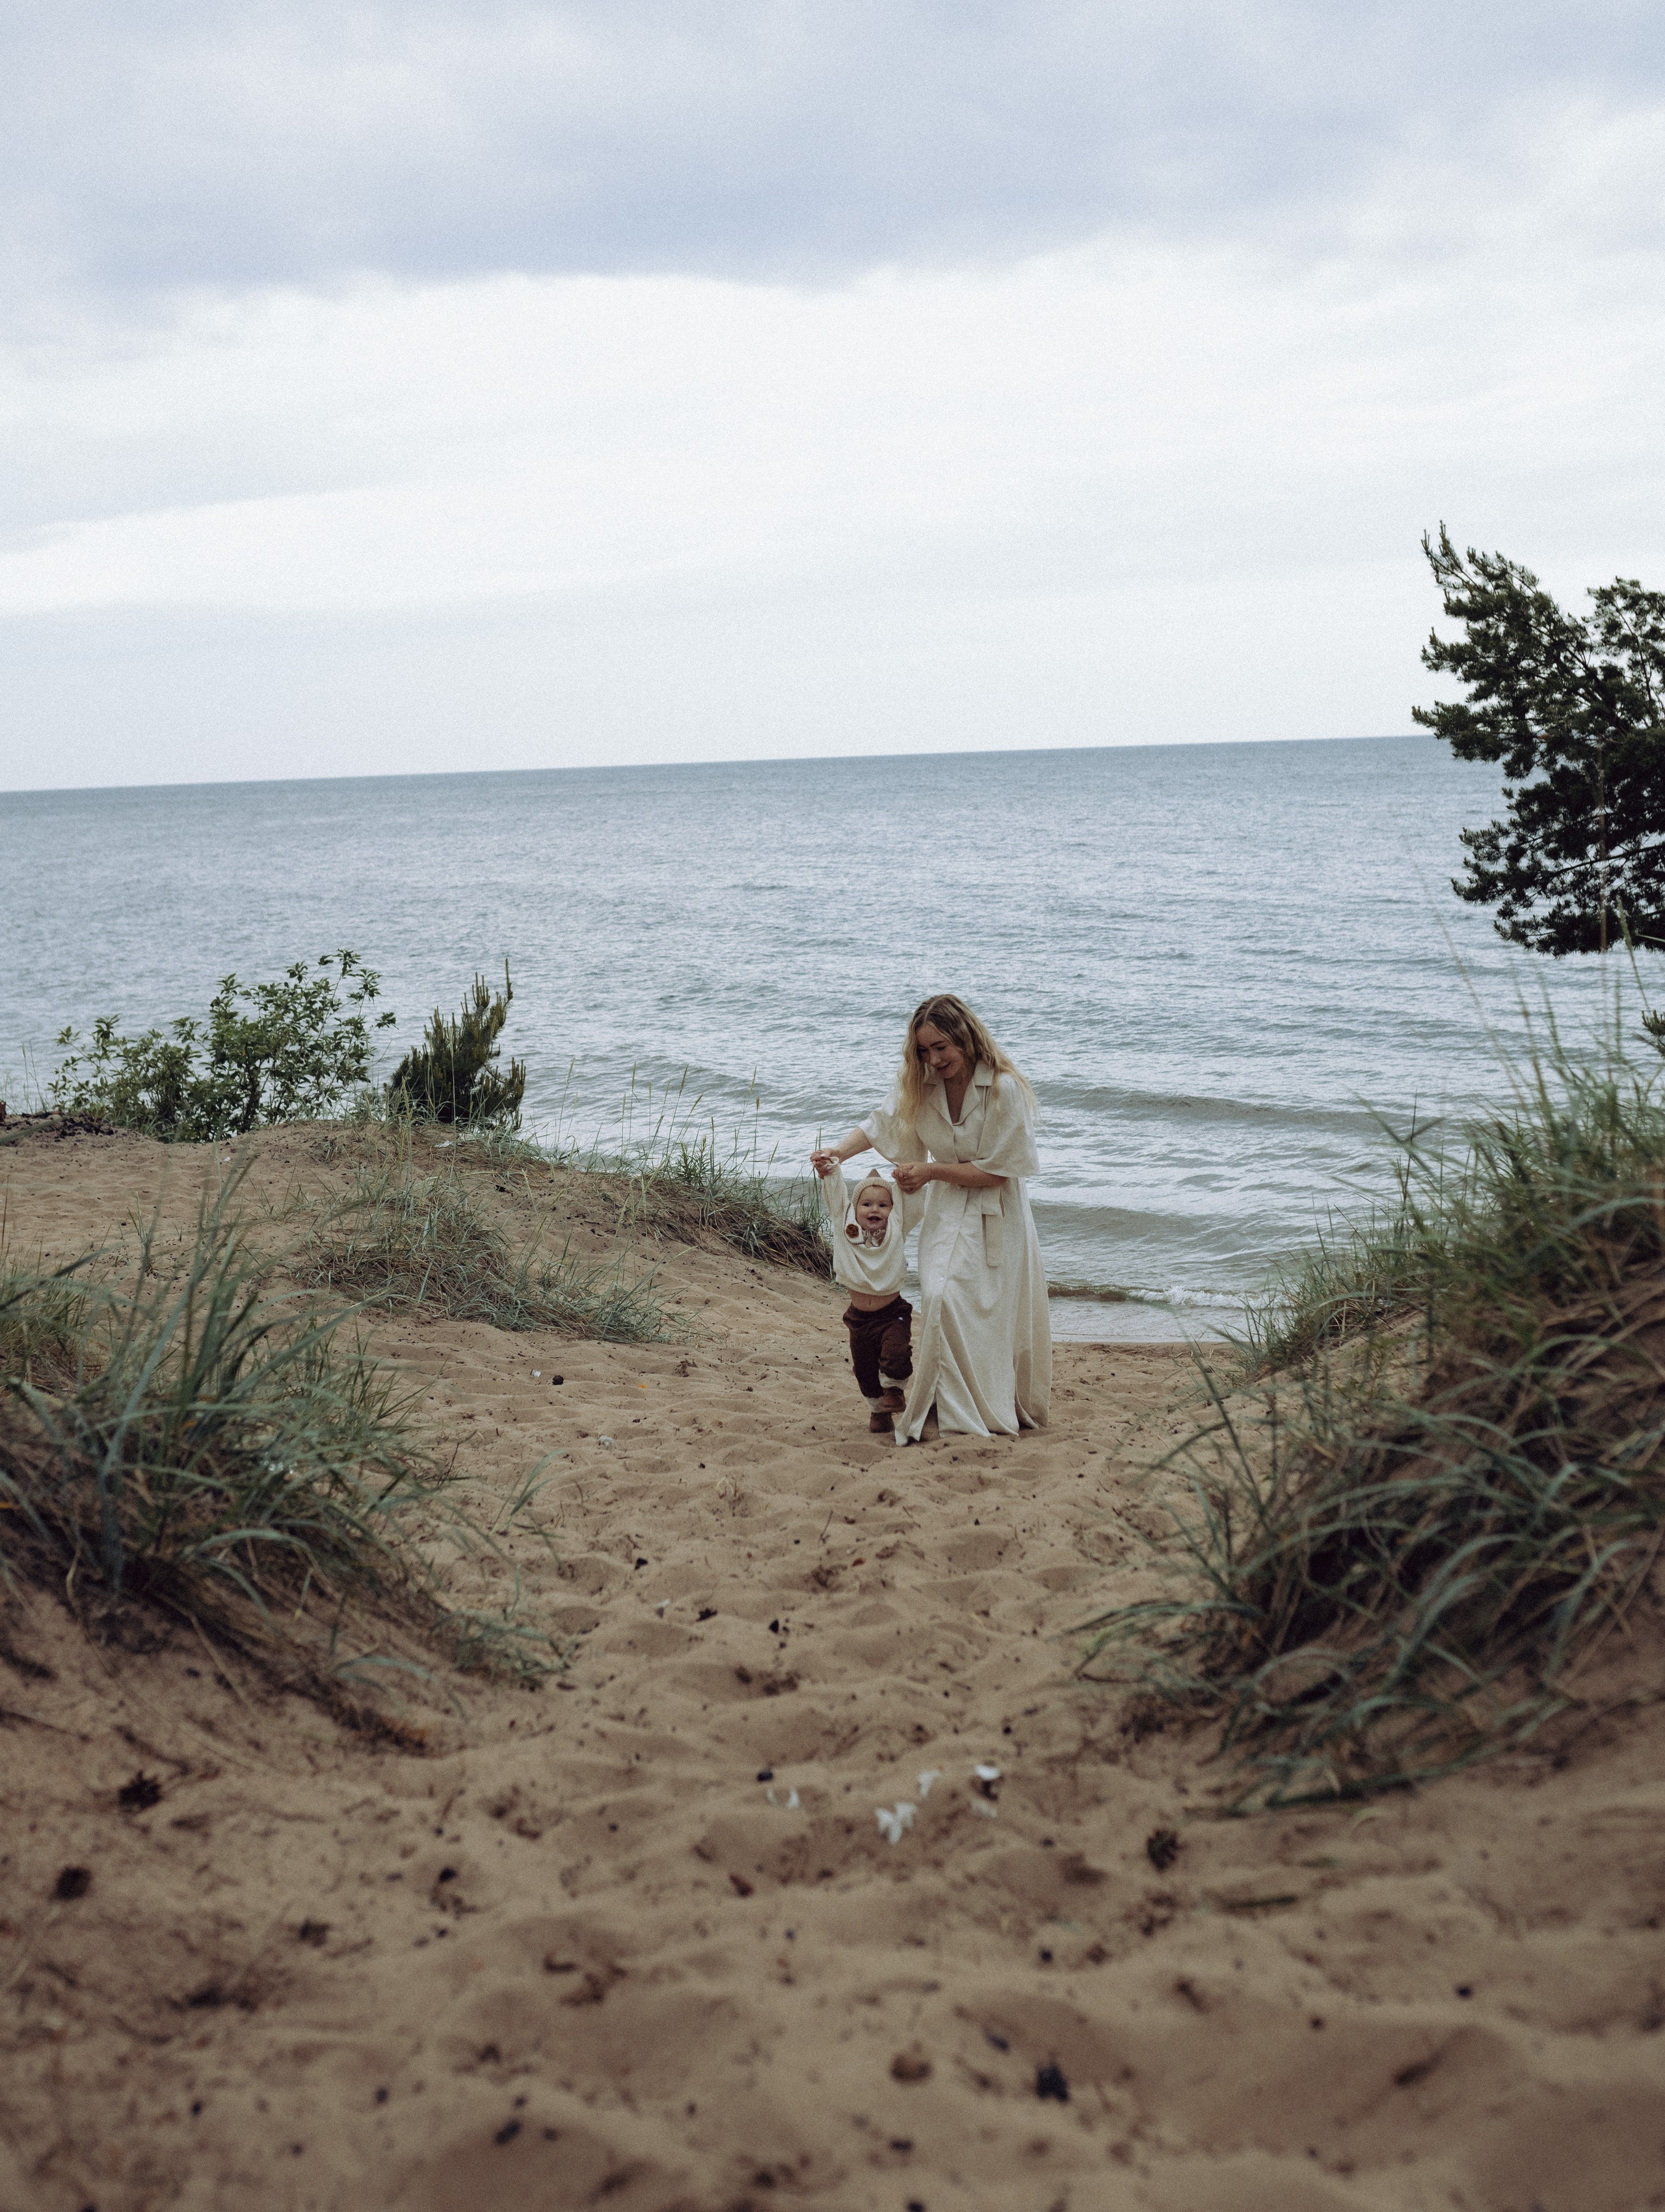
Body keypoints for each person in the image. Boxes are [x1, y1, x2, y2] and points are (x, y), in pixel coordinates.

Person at [811, 994, 1050, 1443]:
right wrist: (837, 1152)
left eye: (941, 1047)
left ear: (965, 1037)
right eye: (923, 1050)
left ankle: (981, 1403)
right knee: (940, 1296)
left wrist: (929, 1171)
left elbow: (997, 1172)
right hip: (946, 1208)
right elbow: (881, 1122)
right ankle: (943, 1402)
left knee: (984, 1310)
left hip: (997, 1209)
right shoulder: (921, 1084)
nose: (933, 1059)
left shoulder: (1003, 1088)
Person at [816, 1164, 927, 1435]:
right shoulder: (846, 1229)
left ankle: (895, 1392)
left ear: (893, 1210)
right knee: (863, 1369)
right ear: (854, 1210)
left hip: (892, 1313)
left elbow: (912, 1203)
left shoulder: (897, 1227)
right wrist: (830, 1171)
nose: (875, 1210)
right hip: (858, 1317)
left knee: (897, 1354)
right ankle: (878, 1413)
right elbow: (837, 1195)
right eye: (866, 1204)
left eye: (883, 1205)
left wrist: (905, 1179)